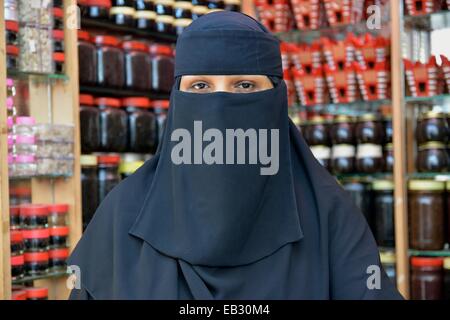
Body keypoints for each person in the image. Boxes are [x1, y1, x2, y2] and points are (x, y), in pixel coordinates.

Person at [68, 11, 403, 300]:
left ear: (275, 99)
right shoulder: (122, 215)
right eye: (200, 86)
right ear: (177, 100)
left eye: (244, 86)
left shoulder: (328, 214)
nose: (220, 106)